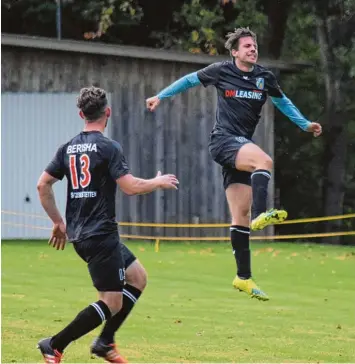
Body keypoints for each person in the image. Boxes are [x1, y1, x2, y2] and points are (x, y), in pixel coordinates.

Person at [146, 27, 322, 301]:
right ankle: (263, 214)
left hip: (240, 146)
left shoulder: (264, 77)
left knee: (240, 214)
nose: (253, 49)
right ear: (235, 52)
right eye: (248, 46)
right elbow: (188, 81)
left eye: (255, 45)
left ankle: (243, 277)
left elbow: (282, 102)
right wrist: (161, 96)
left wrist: (305, 124)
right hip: (224, 141)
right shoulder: (221, 71)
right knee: (263, 161)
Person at [36, 86, 179, 363]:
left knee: (138, 277)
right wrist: (157, 182)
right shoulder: (108, 147)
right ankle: (54, 344)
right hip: (100, 234)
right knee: (112, 302)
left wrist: (57, 222)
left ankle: (104, 341)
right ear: (108, 113)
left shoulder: (67, 148)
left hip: (82, 234)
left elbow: (43, 185)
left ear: (81, 114)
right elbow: (130, 187)